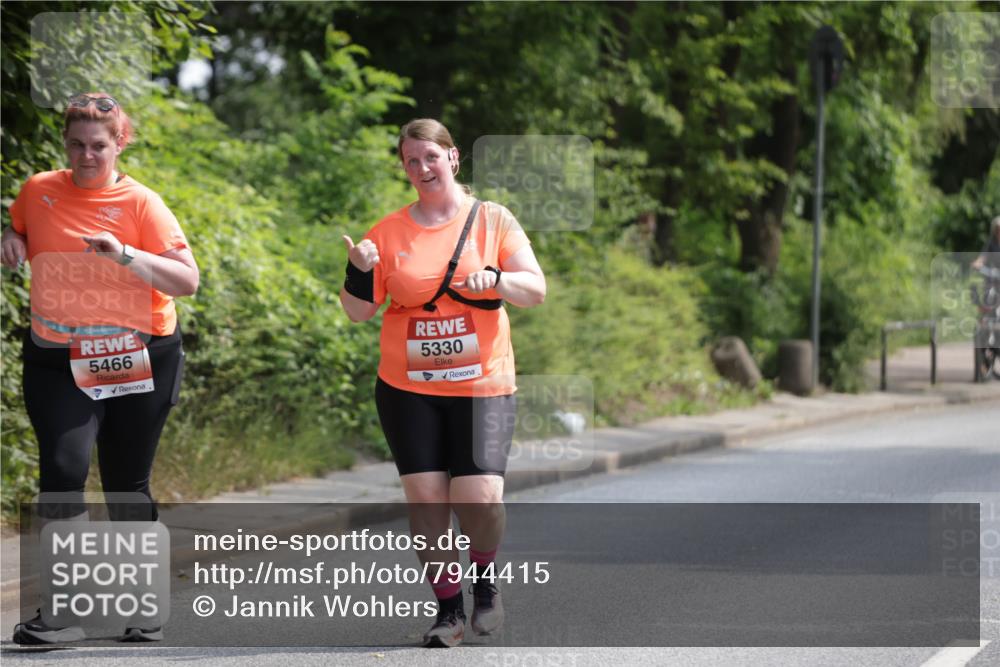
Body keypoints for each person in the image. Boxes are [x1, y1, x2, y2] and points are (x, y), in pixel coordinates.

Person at [340, 119, 545, 648]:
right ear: (404, 168)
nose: (422, 168)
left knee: (479, 500)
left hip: (482, 384)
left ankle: (483, 577)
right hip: (407, 388)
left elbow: (535, 289)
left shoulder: (493, 220)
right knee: (428, 502)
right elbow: (359, 312)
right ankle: (448, 611)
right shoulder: (387, 232)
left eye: (431, 156)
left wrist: (497, 279)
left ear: (453, 159)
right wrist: (358, 269)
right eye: (412, 160)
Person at [2, 93, 199, 644]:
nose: (86, 156)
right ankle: (64, 612)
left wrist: (123, 255)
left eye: (98, 146)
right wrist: (11, 238)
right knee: (63, 473)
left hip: (139, 354)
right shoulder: (40, 190)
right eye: (76, 145)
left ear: (120, 144)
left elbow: (188, 280)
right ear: (64, 143)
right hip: (58, 357)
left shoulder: (142, 204)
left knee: (125, 483)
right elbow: (20, 226)